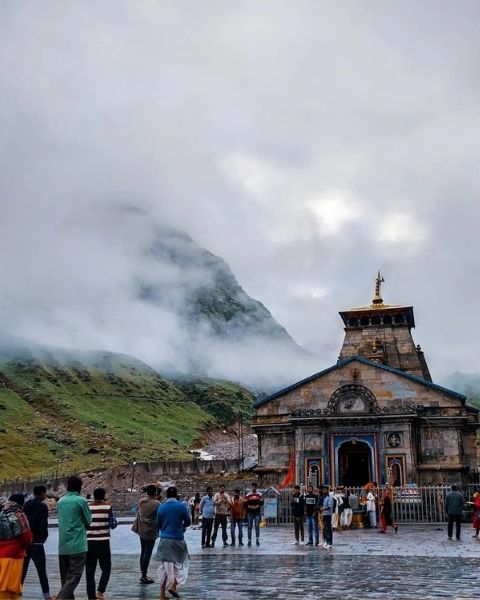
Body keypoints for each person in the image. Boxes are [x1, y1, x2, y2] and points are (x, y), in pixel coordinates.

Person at [55, 476, 92, 599]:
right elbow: (88, 521)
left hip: (63, 545)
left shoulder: (60, 502)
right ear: (80, 488)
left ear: (67, 487)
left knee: (65, 579)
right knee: (74, 576)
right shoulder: (81, 501)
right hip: (77, 545)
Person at [155, 486, 191, 600]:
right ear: (176, 495)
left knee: (165, 568)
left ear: (166, 496)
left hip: (164, 541)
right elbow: (188, 522)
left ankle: (162, 595)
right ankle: (174, 586)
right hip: (178, 541)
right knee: (181, 565)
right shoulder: (181, 506)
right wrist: (181, 526)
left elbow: (157, 525)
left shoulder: (161, 507)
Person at [85, 487, 117, 600]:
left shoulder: (88, 507)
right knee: (106, 568)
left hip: (89, 542)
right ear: (104, 496)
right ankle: (100, 592)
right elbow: (113, 524)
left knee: (90, 571)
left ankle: (91, 596)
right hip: (103, 542)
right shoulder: (108, 507)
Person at [0, 493, 33, 600]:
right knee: (8, 588)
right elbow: (26, 537)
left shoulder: (2, 511)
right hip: (13, 556)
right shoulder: (18, 512)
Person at [22, 485, 51, 600]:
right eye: (45, 492)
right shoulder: (43, 507)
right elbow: (43, 525)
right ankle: (46, 596)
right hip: (38, 543)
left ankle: (18, 593)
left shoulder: (26, 505)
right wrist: (43, 538)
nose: (46, 495)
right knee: (42, 572)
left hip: (26, 543)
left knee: (23, 571)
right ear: (42, 493)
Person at [131, 484, 161, 584]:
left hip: (141, 529)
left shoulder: (142, 501)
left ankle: (143, 574)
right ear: (155, 493)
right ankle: (144, 576)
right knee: (147, 553)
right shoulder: (156, 503)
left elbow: (142, 494)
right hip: (150, 531)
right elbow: (159, 516)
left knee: (143, 552)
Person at [245, 481, 264, 546]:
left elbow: (261, 503)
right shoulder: (248, 494)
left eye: (254, 487)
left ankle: (257, 539)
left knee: (257, 526)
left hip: (257, 512)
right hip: (249, 512)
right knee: (249, 526)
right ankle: (249, 540)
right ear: (251, 487)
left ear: (256, 487)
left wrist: (256, 506)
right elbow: (245, 503)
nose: (253, 488)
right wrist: (250, 507)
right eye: (252, 487)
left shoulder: (259, 494)